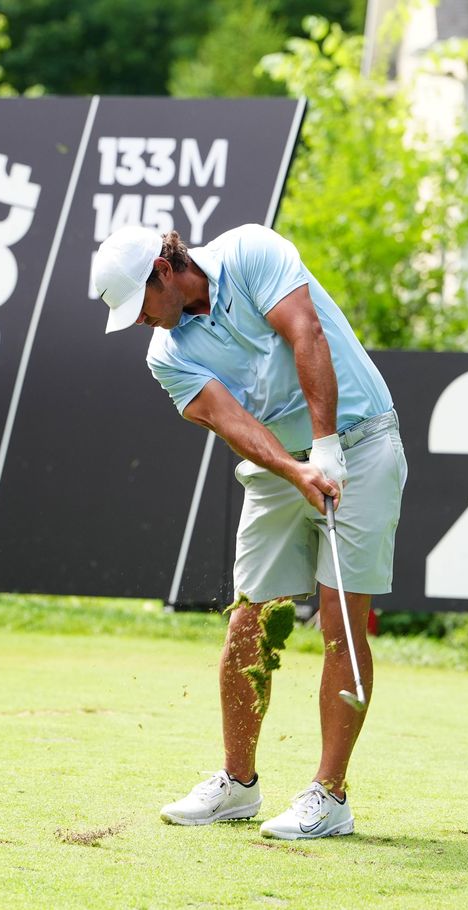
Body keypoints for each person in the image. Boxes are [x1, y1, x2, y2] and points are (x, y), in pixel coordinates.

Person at [90, 223, 406, 840]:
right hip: (278, 468)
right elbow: (230, 421)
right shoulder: (167, 354)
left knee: (341, 619)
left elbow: (305, 333)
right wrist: (294, 468)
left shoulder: (251, 251)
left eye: (141, 304)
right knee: (250, 619)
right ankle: (237, 784)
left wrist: (326, 445)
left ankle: (329, 794)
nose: (139, 321)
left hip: (361, 444)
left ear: (163, 268)